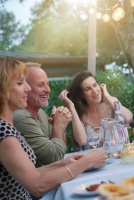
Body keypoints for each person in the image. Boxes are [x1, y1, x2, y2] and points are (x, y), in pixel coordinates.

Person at [0, 57, 107, 199]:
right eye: (20, 83)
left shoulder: (7, 126)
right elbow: (37, 185)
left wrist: (62, 163)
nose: (27, 88)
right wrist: (87, 162)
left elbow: (32, 172)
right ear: (3, 89)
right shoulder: (4, 131)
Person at [13, 62, 86, 167]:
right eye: (40, 85)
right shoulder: (20, 116)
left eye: (48, 84)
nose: (48, 90)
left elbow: (60, 149)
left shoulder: (40, 112)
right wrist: (59, 126)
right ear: (25, 88)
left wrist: (57, 126)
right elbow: (54, 157)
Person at [60, 70, 133, 147]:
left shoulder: (111, 102)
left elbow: (128, 118)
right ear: (82, 94)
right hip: (96, 158)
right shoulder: (81, 114)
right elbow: (82, 141)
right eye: (88, 89)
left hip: (119, 155)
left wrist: (107, 96)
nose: (94, 91)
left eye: (95, 85)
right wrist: (71, 107)